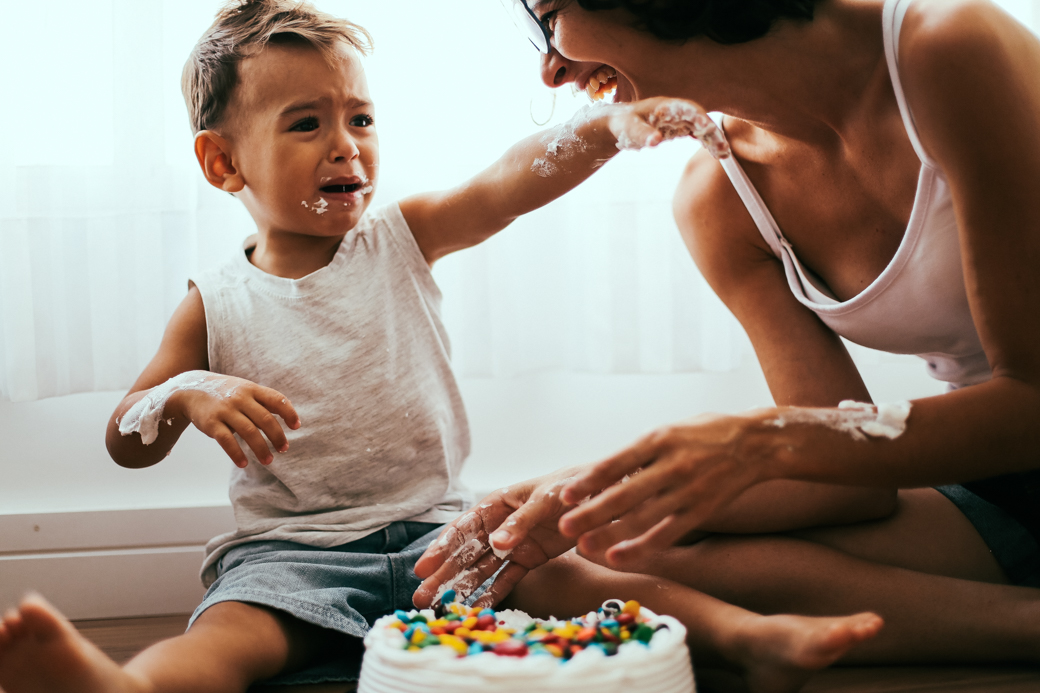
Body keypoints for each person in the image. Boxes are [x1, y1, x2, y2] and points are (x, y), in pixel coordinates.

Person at [0, 1, 888, 692]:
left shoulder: (400, 236)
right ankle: (126, 683)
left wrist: (618, 124)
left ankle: (748, 637)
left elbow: (507, 182)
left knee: (573, 578)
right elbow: (128, 433)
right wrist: (188, 389)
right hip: (292, 555)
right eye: (305, 124)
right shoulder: (214, 302)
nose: (345, 145)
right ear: (222, 163)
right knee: (230, 639)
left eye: (360, 118)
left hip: (443, 531)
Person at [417, 0, 1040, 671]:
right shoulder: (718, 195)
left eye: (552, 14)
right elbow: (847, 483)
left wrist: (757, 439)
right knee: (613, 539)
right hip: (997, 483)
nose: (552, 69)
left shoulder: (947, 47)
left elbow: (1029, 404)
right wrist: (592, 487)